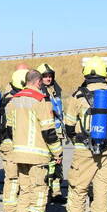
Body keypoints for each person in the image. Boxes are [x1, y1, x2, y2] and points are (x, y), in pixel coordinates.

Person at [58, 56, 107, 212]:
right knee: (102, 191)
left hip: (85, 151)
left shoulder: (78, 96)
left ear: (85, 73)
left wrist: (77, 139)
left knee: (78, 189)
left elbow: (69, 125)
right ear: (105, 73)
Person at [4, 70, 61, 212]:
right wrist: (57, 152)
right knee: (40, 190)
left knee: (25, 190)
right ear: (38, 82)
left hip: (19, 154)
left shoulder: (14, 101)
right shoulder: (40, 100)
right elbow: (49, 131)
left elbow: (9, 129)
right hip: (37, 155)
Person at [0, 64, 30, 212]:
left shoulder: (11, 97)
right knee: (12, 178)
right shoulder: (13, 102)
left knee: (17, 177)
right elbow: (13, 128)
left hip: (11, 143)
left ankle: (16, 208)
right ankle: (9, 210)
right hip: (10, 144)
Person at [36, 62, 66, 203]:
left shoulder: (55, 91)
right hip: (46, 133)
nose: (48, 79)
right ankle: (46, 192)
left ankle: (56, 192)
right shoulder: (39, 93)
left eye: (50, 76)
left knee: (57, 163)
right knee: (48, 164)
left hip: (57, 133)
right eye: (45, 76)